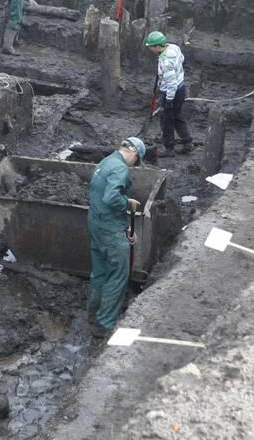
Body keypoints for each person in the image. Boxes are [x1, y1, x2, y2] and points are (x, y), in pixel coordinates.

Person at [87, 137, 145, 337]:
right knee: (118, 275)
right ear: (134, 154)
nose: (134, 165)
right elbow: (111, 197)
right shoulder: (120, 168)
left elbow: (100, 191)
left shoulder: (106, 162)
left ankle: (92, 313)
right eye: (136, 161)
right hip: (111, 229)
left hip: (95, 223)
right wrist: (126, 204)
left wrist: (124, 198)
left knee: (99, 272)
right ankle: (104, 325)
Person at [144, 31, 193, 157]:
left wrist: (169, 100)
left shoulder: (167, 62)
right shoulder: (174, 47)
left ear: (157, 46)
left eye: (151, 47)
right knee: (177, 116)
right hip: (181, 88)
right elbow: (182, 59)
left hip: (172, 92)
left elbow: (171, 83)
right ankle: (188, 143)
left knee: (166, 121)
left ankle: (169, 149)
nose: (150, 49)